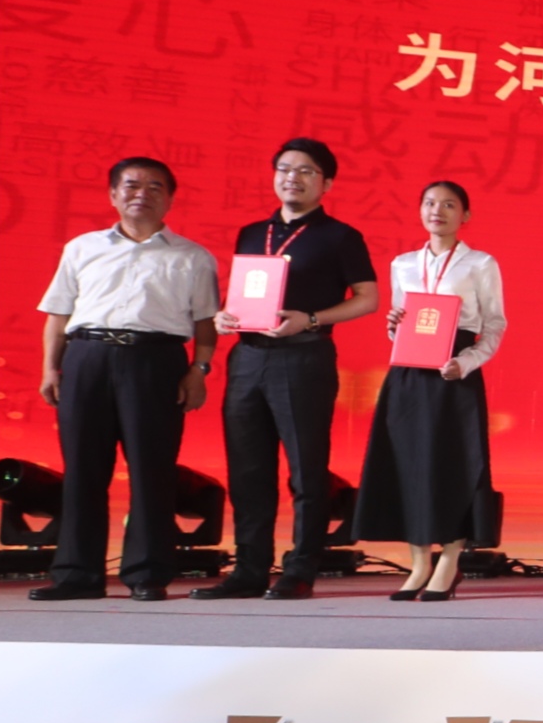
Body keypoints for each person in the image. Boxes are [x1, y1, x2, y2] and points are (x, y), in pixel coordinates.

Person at [192, 138, 378, 600]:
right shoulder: (252, 232)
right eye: (284, 169)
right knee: (247, 469)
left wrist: (311, 319)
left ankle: (300, 569)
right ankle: (249, 568)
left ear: (326, 183)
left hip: (303, 356)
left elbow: (369, 299)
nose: (292, 177)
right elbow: (245, 293)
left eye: (306, 171)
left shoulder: (340, 236)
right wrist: (225, 317)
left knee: (306, 471)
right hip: (248, 358)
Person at [30, 157, 218, 602]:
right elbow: (58, 315)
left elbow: (206, 325)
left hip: (155, 361)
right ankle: (77, 574)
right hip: (87, 357)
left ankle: (147, 573)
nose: (142, 194)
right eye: (131, 185)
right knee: (83, 470)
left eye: (155, 187)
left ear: (170, 199)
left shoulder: (193, 257)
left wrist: (199, 370)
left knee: (153, 470)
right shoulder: (82, 247)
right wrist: (50, 368)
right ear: (113, 194)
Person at [352, 180, 505, 602]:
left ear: (465, 215)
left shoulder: (480, 263)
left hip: (454, 373)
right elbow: (403, 323)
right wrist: (392, 327)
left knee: (454, 465)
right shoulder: (403, 264)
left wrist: (467, 362)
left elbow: (495, 324)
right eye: (430, 203)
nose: (438, 210)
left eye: (449, 204)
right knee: (408, 465)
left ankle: (449, 561)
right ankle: (419, 564)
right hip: (408, 374)